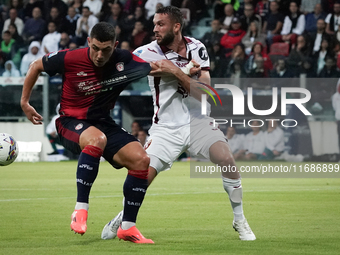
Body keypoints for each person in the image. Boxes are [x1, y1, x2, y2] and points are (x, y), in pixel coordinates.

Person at [102, 6, 256, 241]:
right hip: (165, 128)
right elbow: (133, 71)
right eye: (154, 24)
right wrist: (184, 72)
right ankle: (122, 218)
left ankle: (240, 220)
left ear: (176, 26)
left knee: (227, 159)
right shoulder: (145, 52)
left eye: (160, 24)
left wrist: (176, 71)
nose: (154, 29)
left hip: (198, 123)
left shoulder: (197, 48)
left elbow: (206, 95)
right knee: (141, 177)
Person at [21, 22, 155, 244]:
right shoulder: (69, 58)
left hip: (103, 122)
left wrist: (186, 71)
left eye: (106, 49)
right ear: (88, 43)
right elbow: (36, 65)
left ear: (115, 46)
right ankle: (80, 209)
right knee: (96, 139)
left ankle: (128, 227)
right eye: (95, 48)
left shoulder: (125, 60)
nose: (100, 55)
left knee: (141, 160)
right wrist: (25, 103)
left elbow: (157, 66)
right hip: (69, 122)